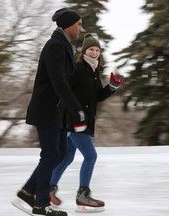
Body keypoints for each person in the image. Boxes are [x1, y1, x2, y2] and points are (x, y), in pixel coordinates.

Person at [11, 8, 87, 216]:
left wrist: (70, 109)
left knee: (60, 153)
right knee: (51, 154)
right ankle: (40, 205)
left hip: (57, 112)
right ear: (68, 25)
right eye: (79, 24)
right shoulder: (55, 45)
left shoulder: (64, 46)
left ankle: (28, 192)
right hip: (47, 110)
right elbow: (58, 81)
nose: (81, 28)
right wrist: (76, 107)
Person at [49, 33, 125, 212]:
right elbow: (64, 90)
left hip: (83, 121)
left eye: (97, 50)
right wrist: (71, 115)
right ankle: (83, 195)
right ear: (83, 52)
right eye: (91, 49)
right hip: (76, 121)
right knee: (91, 156)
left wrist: (112, 87)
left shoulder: (93, 71)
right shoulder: (78, 69)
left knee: (66, 158)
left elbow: (97, 96)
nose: (95, 52)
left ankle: (48, 189)